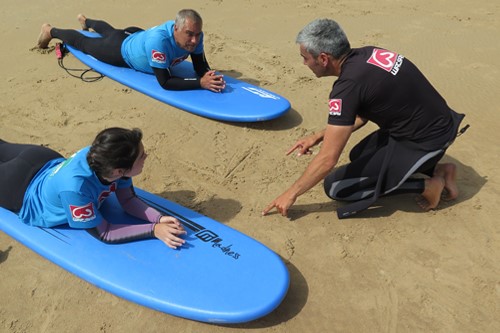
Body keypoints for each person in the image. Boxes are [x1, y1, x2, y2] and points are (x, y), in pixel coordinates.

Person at [262, 19, 466, 219]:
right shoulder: (368, 53)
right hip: (437, 124)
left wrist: (291, 193)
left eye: (305, 58)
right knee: (359, 154)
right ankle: (439, 169)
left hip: (427, 141)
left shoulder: (347, 87)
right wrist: (317, 136)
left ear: (323, 59)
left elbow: (327, 160)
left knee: (336, 187)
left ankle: (428, 185)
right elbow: (362, 114)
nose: (304, 63)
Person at [0, 128, 186, 249]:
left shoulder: (106, 158)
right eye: (141, 156)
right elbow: (105, 233)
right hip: (18, 187)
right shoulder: (76, 191)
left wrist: (160, 218)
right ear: (119, 170)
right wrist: (154, 230)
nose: (146, 156)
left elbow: (128, 200)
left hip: (41, 158)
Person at [36, 9, 226, 92]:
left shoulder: (195, 36)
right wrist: (200, 83)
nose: (194, 40)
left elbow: (200, 64)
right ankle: (50, 30)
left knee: (112, 32)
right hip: (121, 52)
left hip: (135, 36)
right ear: (176, 28)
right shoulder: (159, 42)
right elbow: (165, 82)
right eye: (189, 34)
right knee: (84, 43)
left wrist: (208, 75)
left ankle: (86, 21)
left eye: (197, 34)